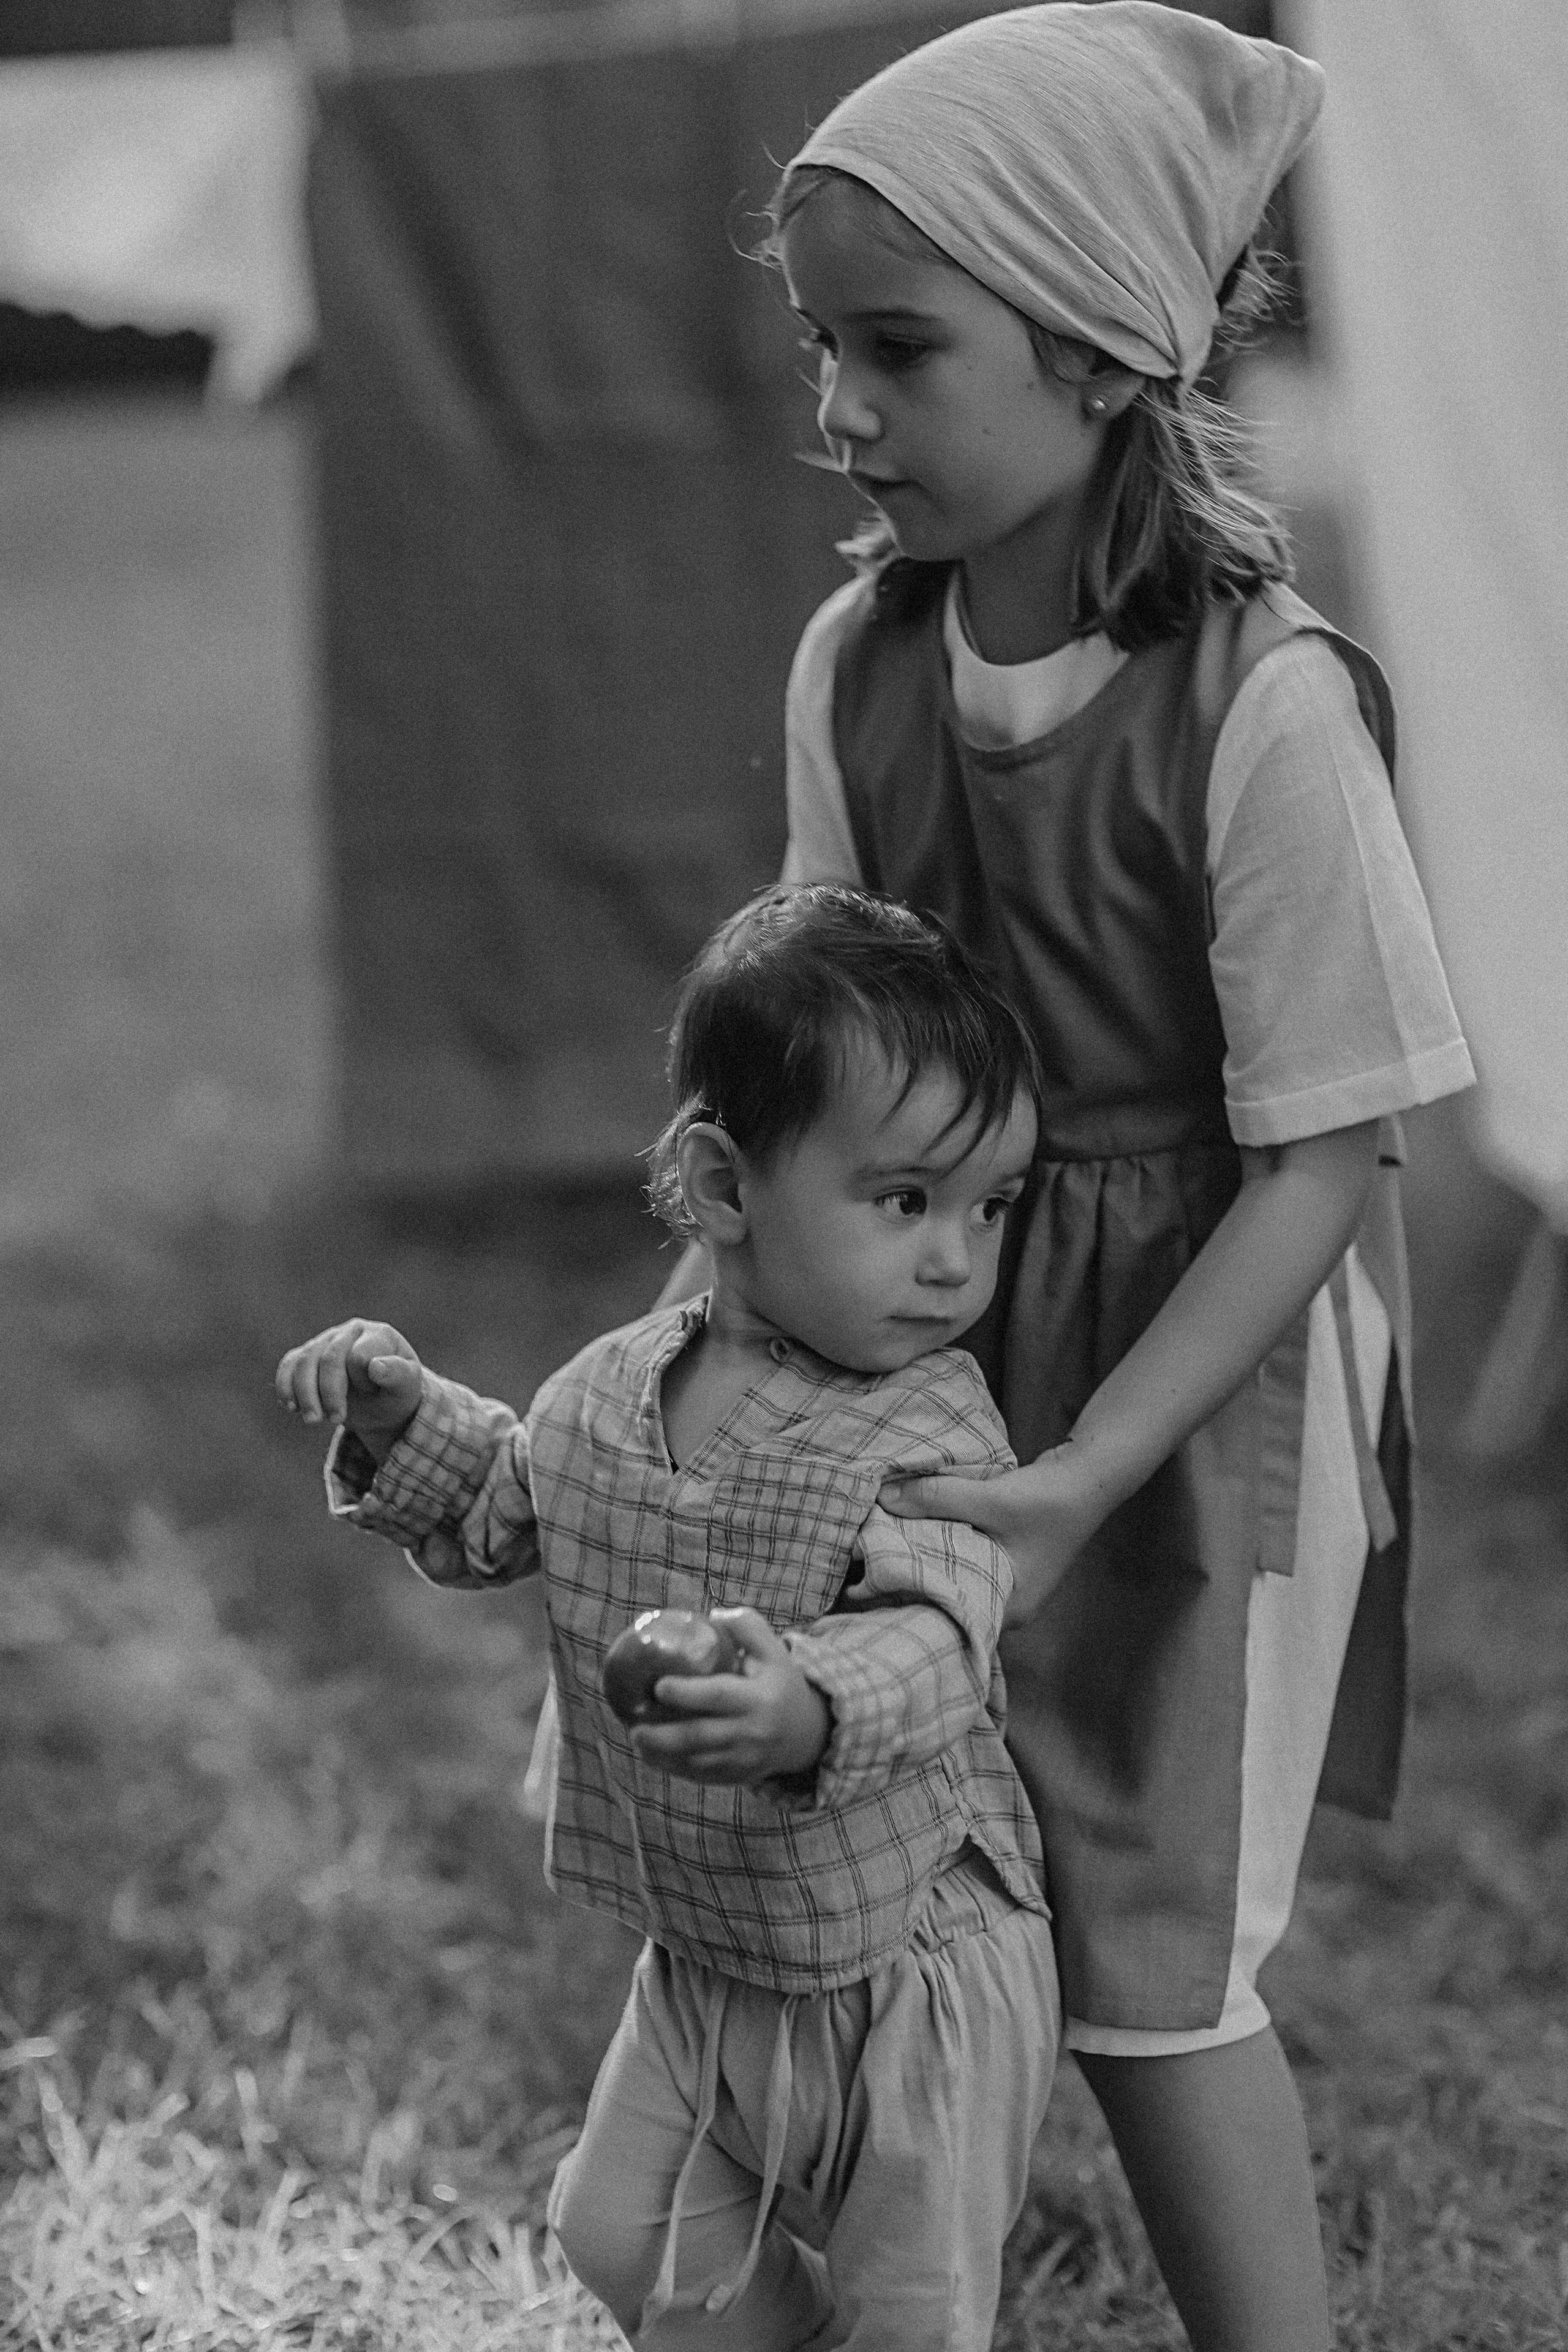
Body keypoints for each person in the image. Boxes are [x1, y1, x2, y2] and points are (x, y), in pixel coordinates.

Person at [729, 8, 1476, 2348]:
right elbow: (811, 1051)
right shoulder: (859, 665)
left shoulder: (1264, 708)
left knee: (1151, 1937)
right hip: (925, 1334)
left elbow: (1328, 1159)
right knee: (870, 1855)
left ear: (1100, 348)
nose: (841, 406)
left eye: (900, 349)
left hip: (1201, 1391)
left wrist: (1082, 1474)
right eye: (821, 346)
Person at [276, 884, 1060, 2352]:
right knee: (618, 2233)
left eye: (989, 1207)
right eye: (905, 1201)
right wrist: (399, 1413)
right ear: (719, 1187)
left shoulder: (932, 1425)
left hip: (913, 1971)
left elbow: (941, 1632)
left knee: (916, 2315)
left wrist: (807, 1704)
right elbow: (505, 1508)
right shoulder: (611, 1389)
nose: (955, 1257)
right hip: (709, 1952)